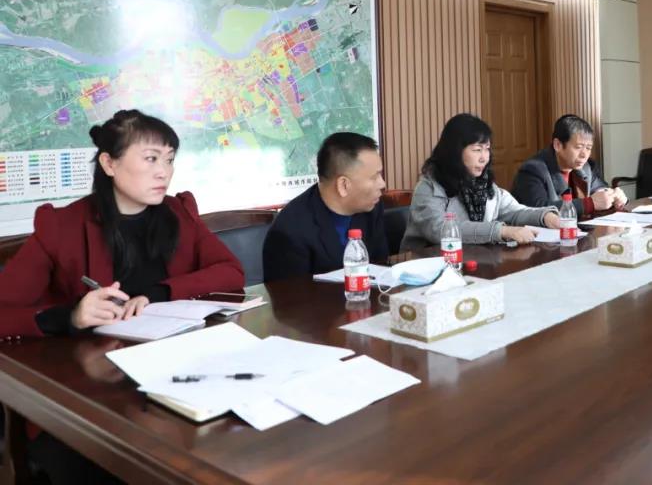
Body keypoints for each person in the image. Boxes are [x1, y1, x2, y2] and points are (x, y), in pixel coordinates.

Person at [0, 109, 244, 484]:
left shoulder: (178, 212)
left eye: (169, 160)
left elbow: (230, 272)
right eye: (151, 159)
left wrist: (160, 292)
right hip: (86, 396)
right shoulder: (62, 226)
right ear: (109, 164)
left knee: (222, 450)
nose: (164, 172)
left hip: (174, 377)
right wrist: (71, 316)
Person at [402, 113, 560, 251]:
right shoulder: (429, 188)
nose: (484, 158)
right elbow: (441, 230)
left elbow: (514, 211)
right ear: (455, 152)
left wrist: (545, 217)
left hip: (473, 261)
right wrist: (501, 231)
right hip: (427, 266)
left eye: (487, 149)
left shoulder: (483, 184)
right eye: (477, 150)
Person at [263, 132, 389, 282]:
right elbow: (289, 294)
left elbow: (381, 269)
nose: (382, 184)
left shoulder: (371, 208)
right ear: (343, 185)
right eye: (374, 177)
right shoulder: (290, 231)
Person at [511, 114, 627, 218]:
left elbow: (599, 189)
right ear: (558, 145)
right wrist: (588, 204)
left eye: (588, 148)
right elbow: (538, 209)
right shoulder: (533, 170)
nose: (584, 155)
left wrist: (613, 196)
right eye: (578, 147)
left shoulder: (586, 166)